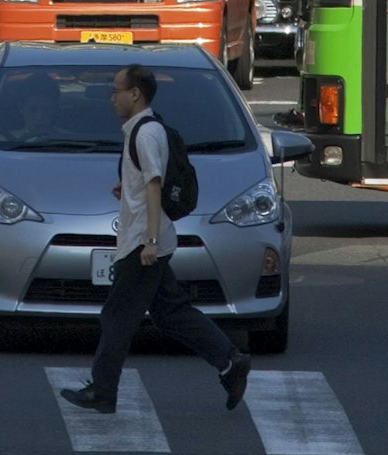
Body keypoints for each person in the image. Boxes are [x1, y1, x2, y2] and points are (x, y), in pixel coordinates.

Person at [59, 62, 251, 418]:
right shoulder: (143, 130)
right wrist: (127, 189)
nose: (111, 97)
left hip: (142, 243)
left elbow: (155, 184)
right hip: (150, 238)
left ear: (136, 94)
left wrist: (148, 240)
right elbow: (145, 182)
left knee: (117, 315)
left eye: (117, 90)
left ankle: (103, 391)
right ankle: (230, 361)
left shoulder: (146, 133)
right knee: (170, 311)